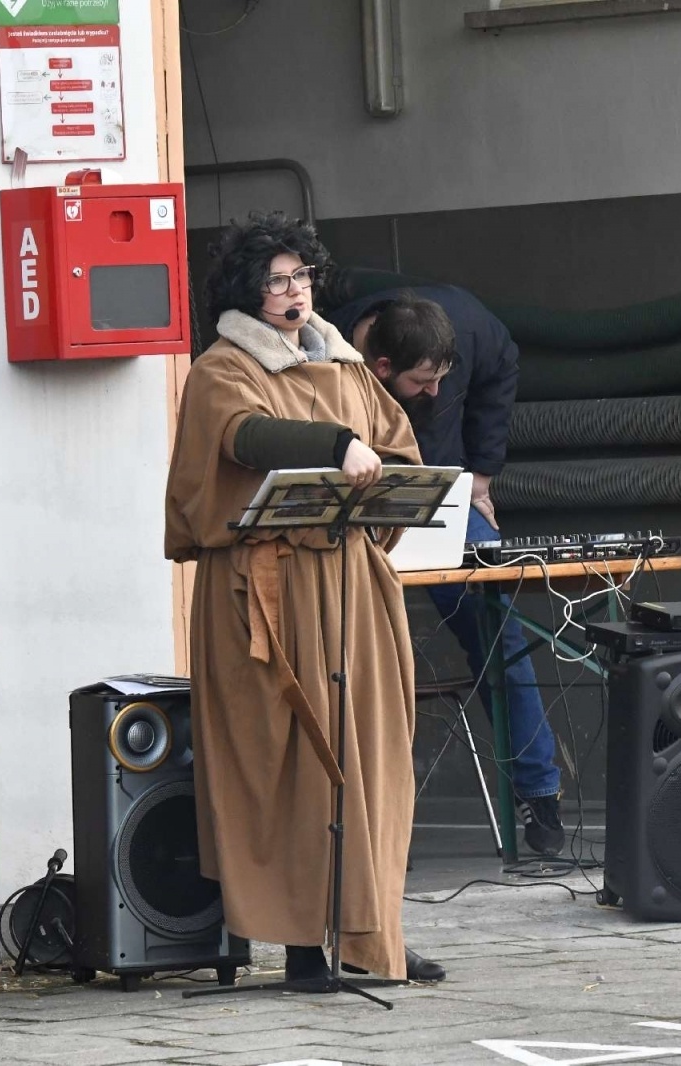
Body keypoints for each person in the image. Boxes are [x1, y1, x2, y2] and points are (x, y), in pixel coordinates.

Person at [165, 212, 445, 984]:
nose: (293, 293)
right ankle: (298, 945)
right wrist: (331, 447)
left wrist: (391, 475)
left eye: (301, 277)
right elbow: (244, 438)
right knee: (286, 760)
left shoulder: (347, 362)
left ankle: (370, 926)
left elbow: (392, 442)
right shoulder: (224, 366)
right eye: (276, 281)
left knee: (372, 754)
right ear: (247, 292)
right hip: (269, 592)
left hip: (351, 582)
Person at [329, 286, 566, 855]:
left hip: (438, 492)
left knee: (499, 628)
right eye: (421, 383)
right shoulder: (324, 346)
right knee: (342, 638)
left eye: (443, 378)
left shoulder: (471, 325)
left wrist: (481, 473)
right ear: (380, 368)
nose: (435, 391)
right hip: (350, 504)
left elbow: (503, 364)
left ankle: (541, 794)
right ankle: (354, 820)